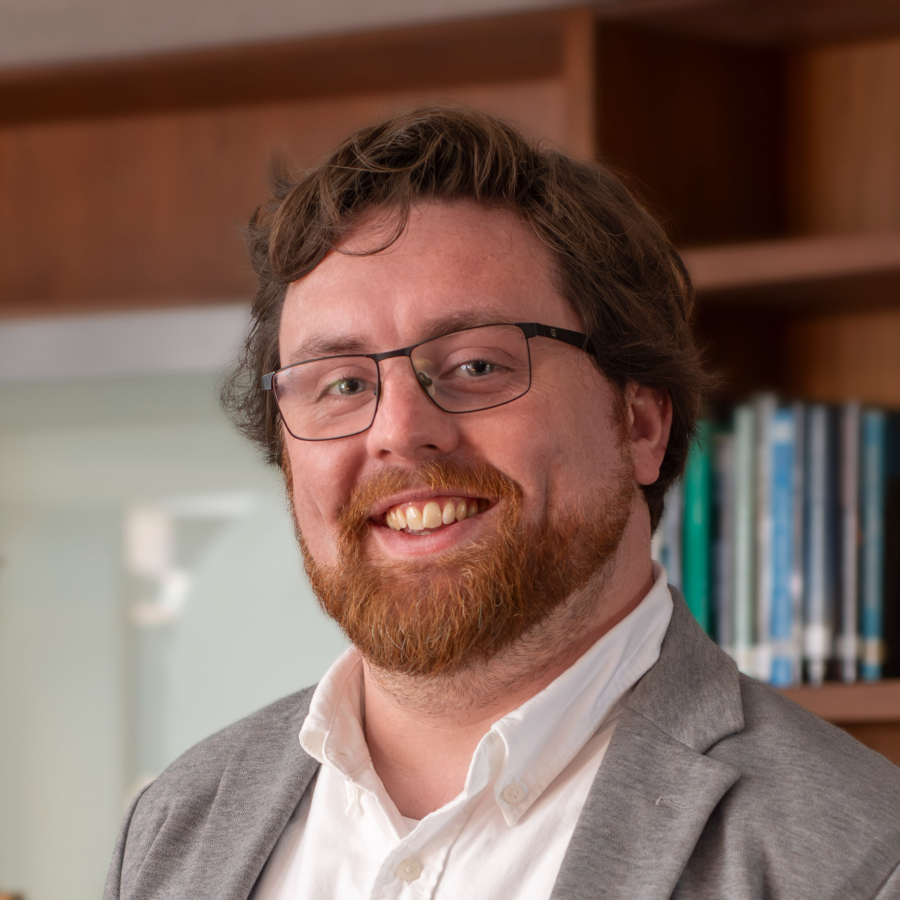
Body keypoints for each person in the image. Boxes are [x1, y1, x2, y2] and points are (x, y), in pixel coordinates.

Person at [104, 106, 900, 900]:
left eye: (477, 366)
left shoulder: (860, 859)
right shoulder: (174, 828)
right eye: (343, 384)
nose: (400, 432)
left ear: (640, 424)